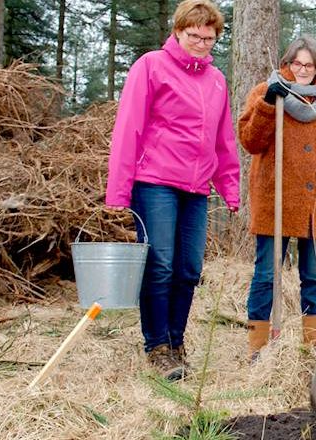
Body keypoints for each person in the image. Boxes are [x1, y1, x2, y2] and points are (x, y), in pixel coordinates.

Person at [105, 0, 240, 381]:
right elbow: (128, 128)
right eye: (193, 35)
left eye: (208, 38)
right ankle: (157, 346)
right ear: (178, 32)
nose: (201, 43)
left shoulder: (216, 81)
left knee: (189, 268)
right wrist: (119, 190)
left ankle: (177, 341)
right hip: (154, 183)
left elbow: (223, 140)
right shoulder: (151, 66)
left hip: (196, 188)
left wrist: (229, 187)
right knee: (160, 265)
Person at [238, 36, 316, 359]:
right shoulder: (267, 91)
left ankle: (310, 348)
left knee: (314, 276)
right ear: (287, 63)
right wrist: (268, 102)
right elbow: (250, 141)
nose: (303, 70)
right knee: (267, 275)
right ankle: (257, 349)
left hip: (314, 206)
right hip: (275, 202)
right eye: (297, 63)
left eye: (309, 65)